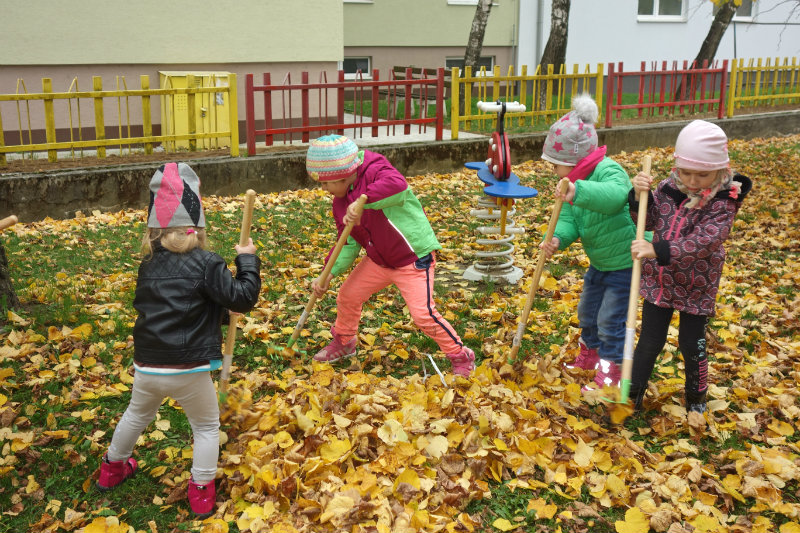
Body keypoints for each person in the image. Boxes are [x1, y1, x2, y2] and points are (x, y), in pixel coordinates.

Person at [96, 163, 261, 518]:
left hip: (148, 366)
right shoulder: (208, 263)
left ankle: (111, 469)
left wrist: (219, 312)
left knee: (136, 415)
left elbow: (180, 305)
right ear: (199, 228)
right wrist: (247, 261)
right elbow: (243, 297)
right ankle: (201, 491)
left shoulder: (148, 265)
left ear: (154, 231)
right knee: (206, 427)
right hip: (188, 370)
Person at [305, 134, 475, 376]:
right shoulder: (339, 203)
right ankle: (345, 341)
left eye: (326, 183)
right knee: (348, 295)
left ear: (344, 175)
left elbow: (398, 186)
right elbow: (348, 242)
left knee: (423, 315)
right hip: (379, 261)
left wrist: (363, 201)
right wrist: (328, 274)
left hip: (412, 258)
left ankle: (460, 355)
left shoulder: (375, 170)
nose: (323, 189)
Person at [628, 120, 751, 414]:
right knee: (649, 342)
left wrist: (657, 250)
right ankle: (631, 397)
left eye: (703, 174)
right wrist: (639, 197)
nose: (693, 181)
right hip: (660, 280)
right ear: (677, 166)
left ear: (720, 170)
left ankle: (696, 398)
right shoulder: (668, 187)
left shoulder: (723, 202)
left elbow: (705, 242)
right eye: (686, 172)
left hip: (697, 285)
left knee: (691, 343)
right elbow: (649, 221)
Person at [538, 94, 637, 391]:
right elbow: (569, 218)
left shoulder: (608, 170)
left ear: (573, 161)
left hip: (625, 261)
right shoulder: (571, 183)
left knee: (611, 320)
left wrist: (579, 191)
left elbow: (616, 197)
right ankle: (590, 355)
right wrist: (557, 238)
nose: (554, 171)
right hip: (600, 262)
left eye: (556, 165)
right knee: (588, 312)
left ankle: (612, 371)